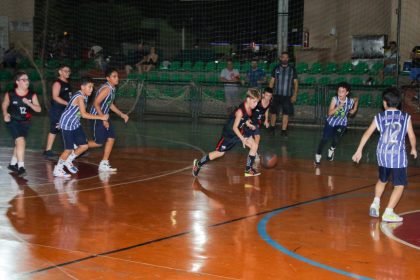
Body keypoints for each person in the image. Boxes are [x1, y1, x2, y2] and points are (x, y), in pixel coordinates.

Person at [352, 87, 417, 222]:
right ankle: (389, 211)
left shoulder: (379, 116)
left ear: (384, 103)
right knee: (399, 185)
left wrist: (359, 150)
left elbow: (367, 133)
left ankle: (375, 204)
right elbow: (411, 136)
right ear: (398, 102)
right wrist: (414, 148)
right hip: (397, 156)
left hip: (382, 154)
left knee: (382, 180)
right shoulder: (405, 117)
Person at [192, 88, 261, 177]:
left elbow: (245, 117)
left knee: (254, 145)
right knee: (220, 153)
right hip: (230, 134)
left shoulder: (249, 108)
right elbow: (234, 127)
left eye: (257, 102)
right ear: (248, 99)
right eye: (254, 102)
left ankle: (248, 170)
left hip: (241, 130)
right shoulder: (240, 111)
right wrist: (242, 139)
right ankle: (198, 164)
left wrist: (248, 123)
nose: (256, 105)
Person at [53, 78, 109, 177]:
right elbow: (83, 114)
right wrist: (101, 117)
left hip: (75, 123)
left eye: (92, 87)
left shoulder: (85, 95)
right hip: (67, 124)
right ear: (82, 87)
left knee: (84, 146)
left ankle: (69, 160)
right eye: (89, 87)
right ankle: (58, 168)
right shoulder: (80, 97)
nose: (91, 89)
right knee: (68, 149)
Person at [88, 68, 129, 172]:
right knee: (99, 142)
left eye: (117, 76)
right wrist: (103, 119)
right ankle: (79, 145)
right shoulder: (106, 89)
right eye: (114, 76)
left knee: (111, 138)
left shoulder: (112, 88)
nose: (117, 78)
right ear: (108, 78)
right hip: (97, 117)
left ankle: (104, 163)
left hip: (104, 116)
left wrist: (121, 114)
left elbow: (109, 104)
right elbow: (96, 103)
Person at [2, 71, 42, 176]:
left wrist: (29, 103)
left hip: (25, 122)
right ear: (17, 82)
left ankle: (12, 164)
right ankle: (21, 167)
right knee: (20, 140)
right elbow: (5, 104)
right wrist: (5, 113)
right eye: (24, 79)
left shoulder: (31, 94)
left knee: (19, 143)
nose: (27, 81)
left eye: (28, 79)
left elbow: (38, 109)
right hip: (12, 120)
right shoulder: (10, 93)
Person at [314, 82, 358, 165]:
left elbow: (356, 99)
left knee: (336, 138)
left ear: (347, 93)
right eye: (339, 91)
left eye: (342, 91)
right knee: (325, 139)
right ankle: (318, 154)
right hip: (331, 122)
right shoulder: (335, 99)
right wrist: (338, 107)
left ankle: (331, 149)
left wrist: (355, 109)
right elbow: (329, 113)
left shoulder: (350, 101)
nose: (340, 93)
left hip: (342, 123)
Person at [43, 65, 73, 158]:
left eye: (69, 71)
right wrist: (68, 103)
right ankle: (48, 151)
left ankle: (73, 149)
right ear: (60, 72)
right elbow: (55, 97)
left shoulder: (67, 82)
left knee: (70, 127)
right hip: (57, 109)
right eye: (65, 71)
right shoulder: (57, 83)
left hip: (65, 110)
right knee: (55, 128)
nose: (67, 72)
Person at [268, 51, 298, 137]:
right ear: (280, 58)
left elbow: (296, 83)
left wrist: (295, 94)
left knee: (286, 113)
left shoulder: (292, 69)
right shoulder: (276, 68)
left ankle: (283, 130)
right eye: (283, 57)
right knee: (273, 112)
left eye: (286, 57)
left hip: (288, 95)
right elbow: (272, 82)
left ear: (288, 59)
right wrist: (269, 94)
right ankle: (272, 128)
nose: (284, 59)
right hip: (276, 95)